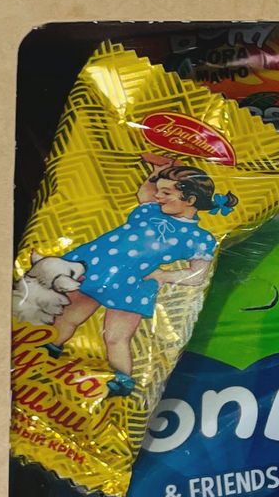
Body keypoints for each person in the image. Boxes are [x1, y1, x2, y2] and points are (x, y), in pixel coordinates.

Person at [47, 159, 237, 397]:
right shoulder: (150, 209)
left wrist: (163, 275)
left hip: (133, 285)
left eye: (166, 193)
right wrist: (157, 172)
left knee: (116, 338)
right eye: (159, 190)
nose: (158, 196)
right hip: (98, 269)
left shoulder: (199, 237)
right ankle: (47, 350)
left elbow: (197, 275)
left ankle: (122, 381)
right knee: (68, 316)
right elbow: (145, 191)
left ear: (190, 200)